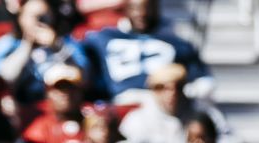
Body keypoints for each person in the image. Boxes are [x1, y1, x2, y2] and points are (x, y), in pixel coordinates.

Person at [80, 0, 214, 104]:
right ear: (125, 9)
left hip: (163, 105)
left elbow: (203, 81)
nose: (142, 13)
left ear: (156, 8)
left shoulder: (175, 42)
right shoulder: (103, 38)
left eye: (147, 7)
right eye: (135, 8)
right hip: (122, 102)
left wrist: (180, 95)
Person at [116, 64, 242, 143]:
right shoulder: (137, 120)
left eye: (177, 86)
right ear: (152, 90)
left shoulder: (204, 114)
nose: (171, 93)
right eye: (161, 88)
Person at [0, 0, 92, 105]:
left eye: (44, 17)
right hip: (23, 106)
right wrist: (27, 45)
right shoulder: (6, 44)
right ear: (21, 18)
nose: (39, 23)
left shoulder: (67, 43)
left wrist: (57, 47)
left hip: (59, 105)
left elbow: (86, 77)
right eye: (34, 17)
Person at [21, 64, 90, 143]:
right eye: (60, 88)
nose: (66, 94)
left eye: (71, 88)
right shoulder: (38, 127)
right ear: (48, 93)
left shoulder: (93, 119)